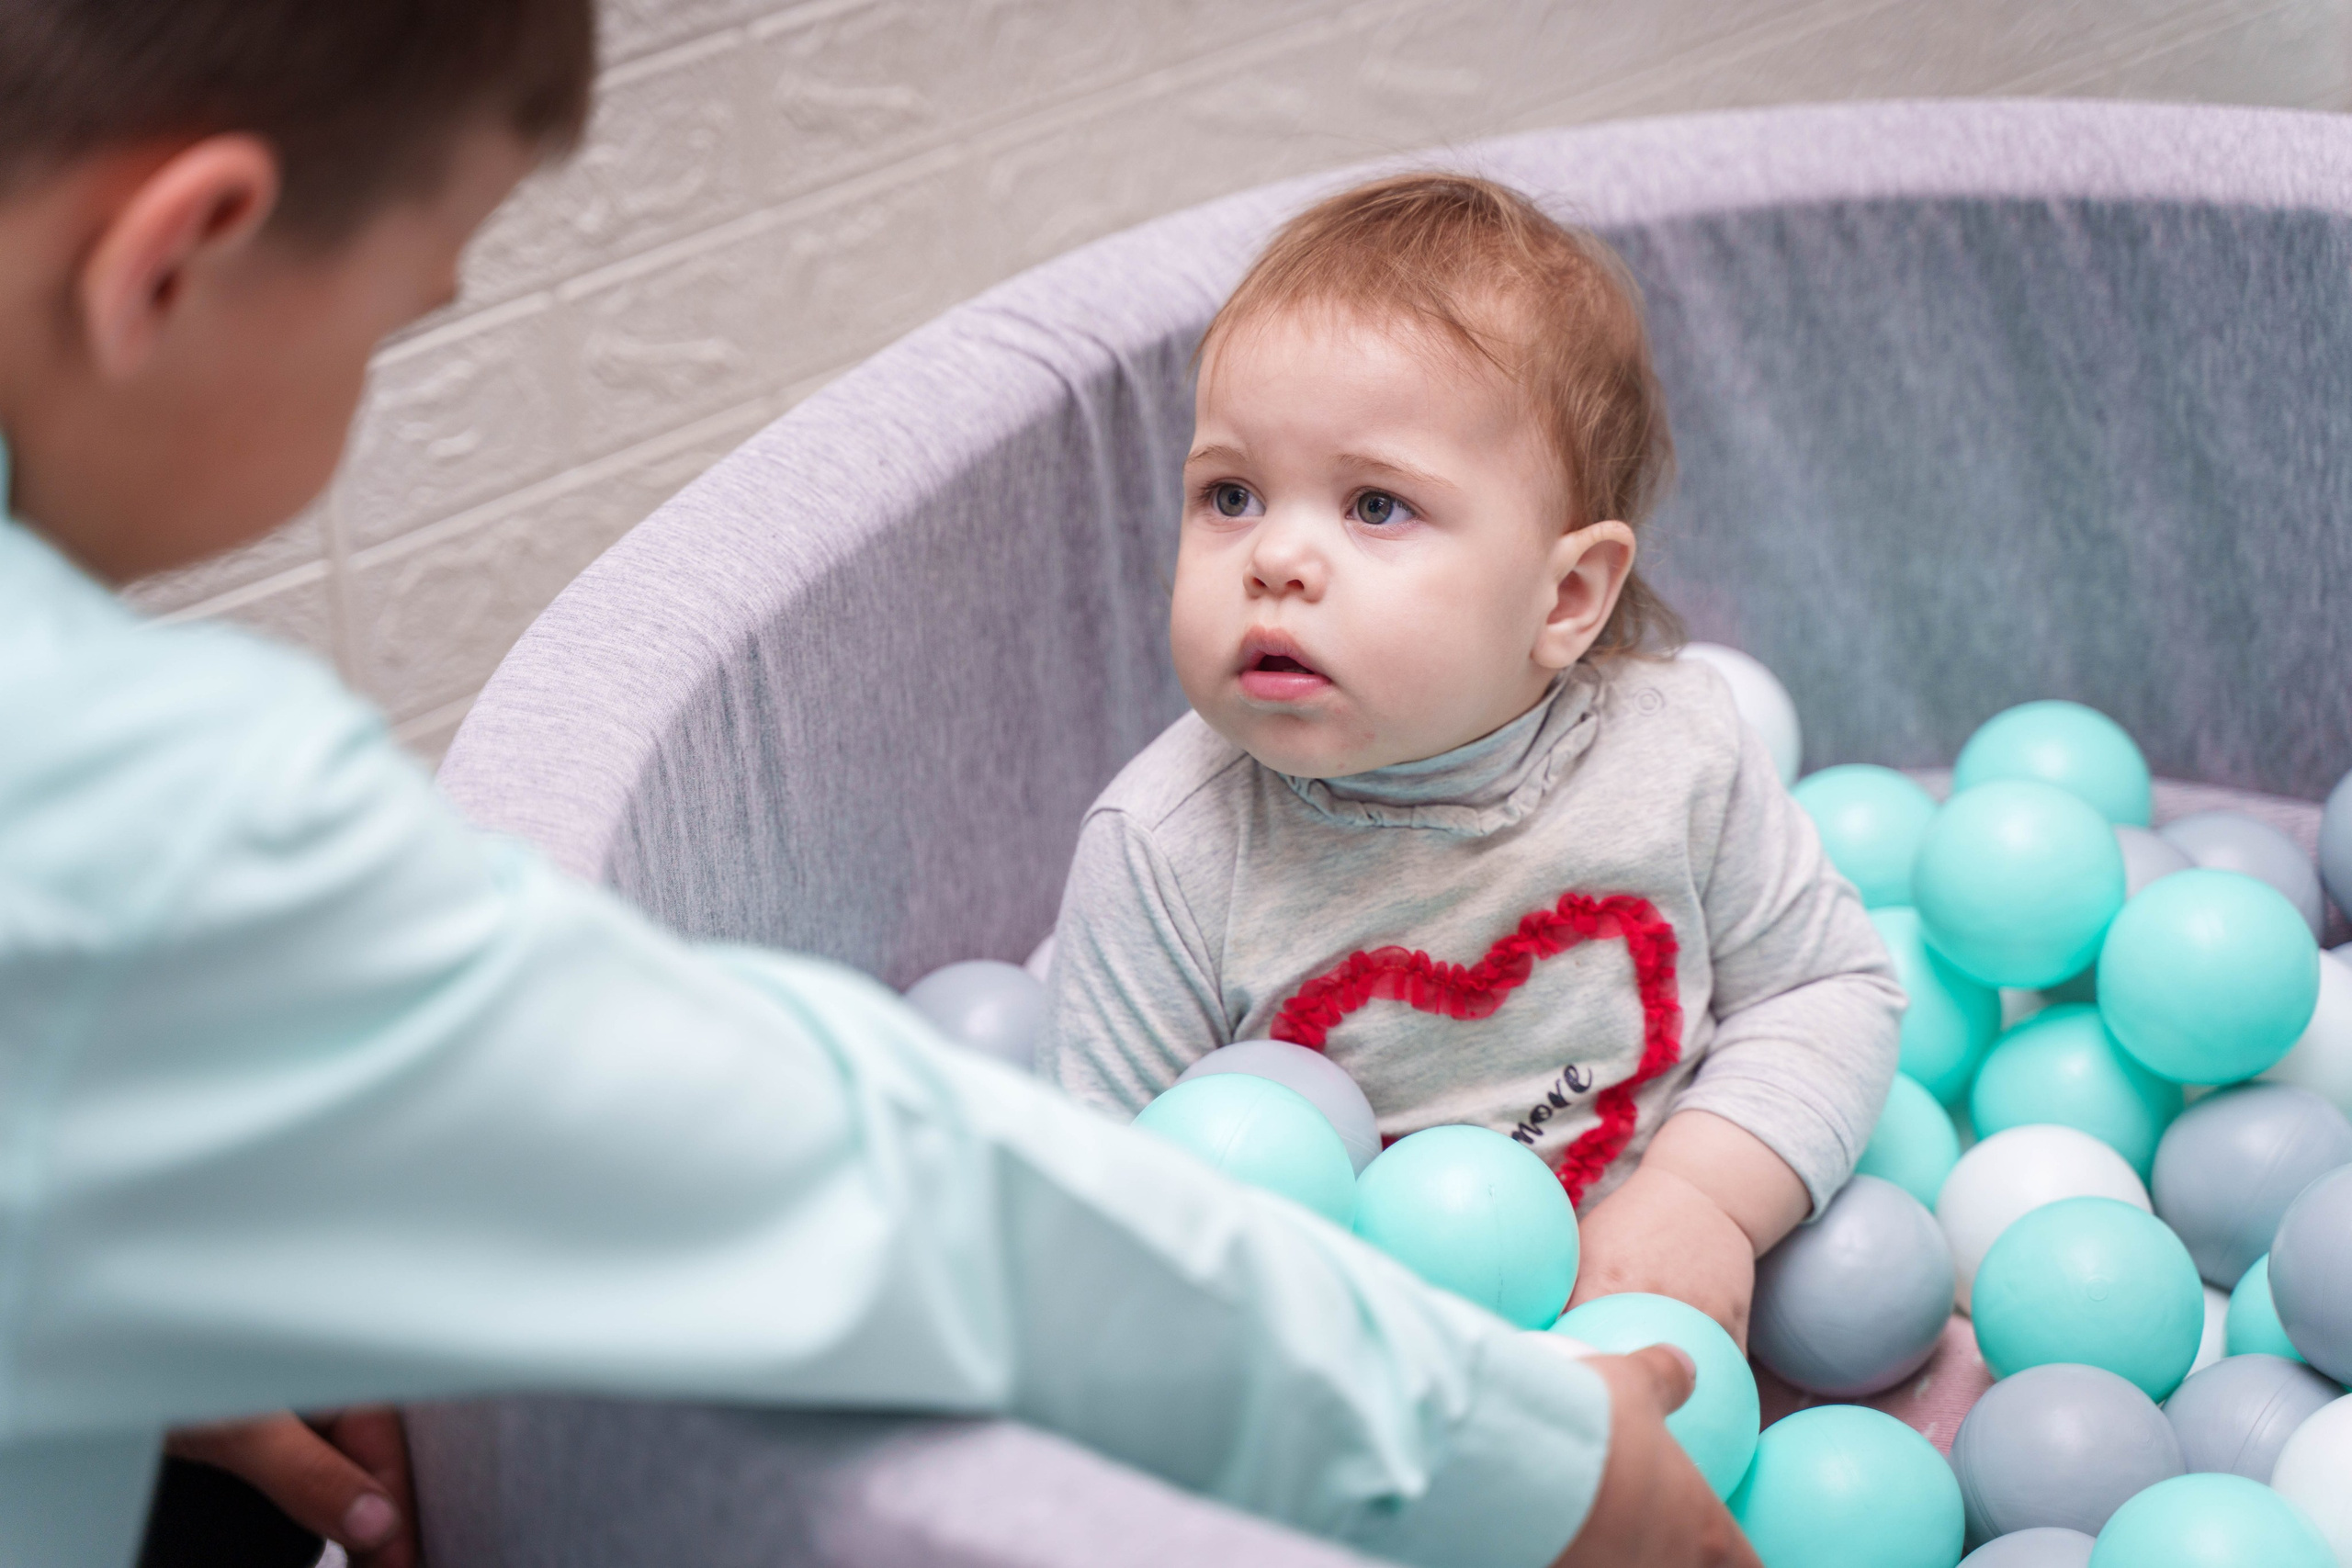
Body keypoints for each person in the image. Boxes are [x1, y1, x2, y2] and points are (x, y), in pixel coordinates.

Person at [0, 6, 1760, 1568]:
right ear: (177, 262)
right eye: (400, 318)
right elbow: (829, 1176)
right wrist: (1518, 1454)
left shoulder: (1670, 753)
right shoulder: (127, 807)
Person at [1040, 175, 1906, 1346]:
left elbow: (1827, 990)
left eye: (1375, 505)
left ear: (1567, 596)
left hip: (1655, 1326)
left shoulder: (1679, 751)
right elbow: (1109, 1212)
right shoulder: (1163, 850)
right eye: (1229, 494)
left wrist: (1702, 1198)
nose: (1275, 558)